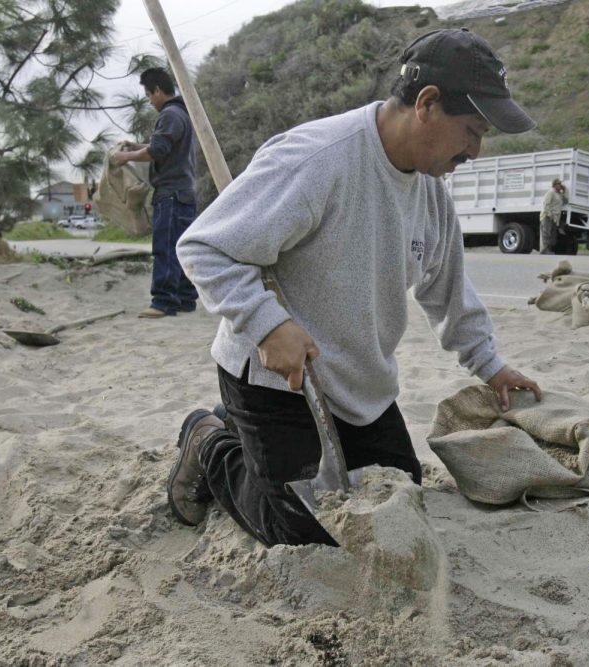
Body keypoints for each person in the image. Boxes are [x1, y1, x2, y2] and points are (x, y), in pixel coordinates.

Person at [166, 28, 543, 547]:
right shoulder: (318, 159)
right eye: (472, 130)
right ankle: (208, 439)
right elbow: (204, 247)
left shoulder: (431, 195)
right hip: (277, 377)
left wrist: (491, 365)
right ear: (427, 104)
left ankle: (235, 429)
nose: (475, 151)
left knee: (398, 500)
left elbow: (449, 293)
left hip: (360, 384)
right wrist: (266, 322)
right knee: (304, 529)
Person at [113, 68, 198, 318]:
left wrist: (124, 157)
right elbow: (163, 146)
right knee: (181, 248)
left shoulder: (170, 114)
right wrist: (137, 146)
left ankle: (163, 302)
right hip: (184, 191)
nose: (150, 101)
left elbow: (158, 151)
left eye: (149, 95)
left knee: (166, 247)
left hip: (170, 192)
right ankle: (185, 299)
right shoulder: (182, 113)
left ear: (158, 91)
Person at [540, 178, 567, 254]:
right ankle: (545, 250)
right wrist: (549, 214)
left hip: (555, 218)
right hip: (548, 216)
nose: (560, 186)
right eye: (558, 184)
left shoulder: (559, 194)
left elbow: (566, 201)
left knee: (552, 235)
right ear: (554, 185)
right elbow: (546, 204)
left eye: (560, 184)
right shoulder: (551, 193)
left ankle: (548, 250)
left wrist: (564, 190)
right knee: (547, 233)